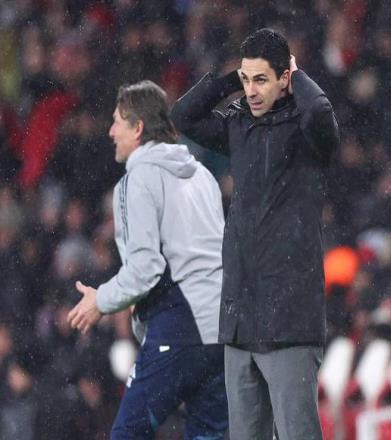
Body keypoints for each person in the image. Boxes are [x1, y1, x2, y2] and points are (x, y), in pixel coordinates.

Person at [172, 28, 340, 440]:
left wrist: (299, 76)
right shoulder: (239, 124)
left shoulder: (307, 130)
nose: (250, 91)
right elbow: (183, 116)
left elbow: (321, 113)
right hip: (241, 320)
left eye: (261, 80)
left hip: (290, 321)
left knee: (298, 435)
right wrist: (233, 78)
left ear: (285, 78)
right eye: (246, 80)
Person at [67, 80, 228, 439]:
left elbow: (145, 269)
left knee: (127, 433)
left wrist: (100, 300)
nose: (111, 131)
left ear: (138, 128)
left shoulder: (137, 180)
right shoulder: (203, 175)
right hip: (223, 329)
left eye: (117, 122)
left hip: (180, 324)